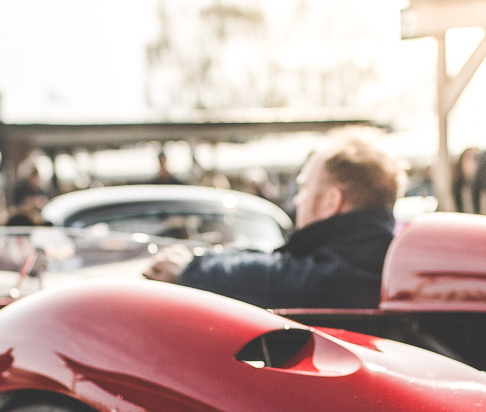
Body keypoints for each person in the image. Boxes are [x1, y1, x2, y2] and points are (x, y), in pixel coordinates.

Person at [142, 125, 400, 309]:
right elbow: (278, 264)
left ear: (331, 202)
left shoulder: (349, 272)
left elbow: (286, 278)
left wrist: (192, 271)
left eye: (304, 188)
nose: (297, 200)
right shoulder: (375, 256)